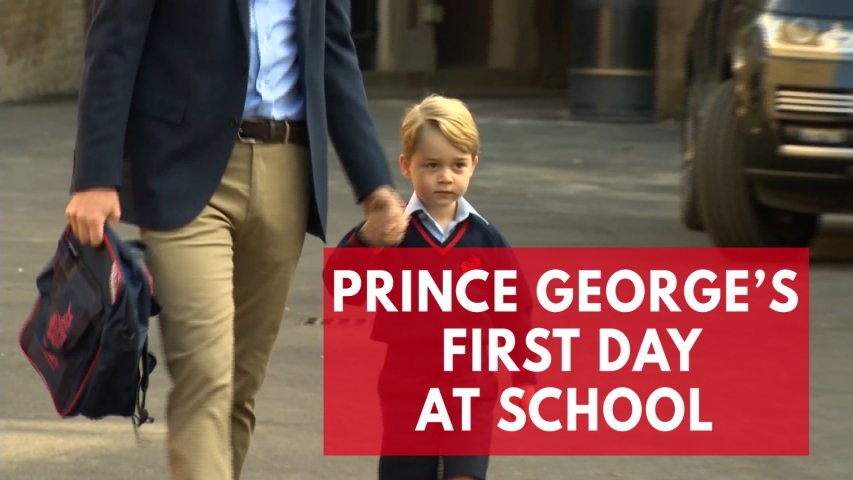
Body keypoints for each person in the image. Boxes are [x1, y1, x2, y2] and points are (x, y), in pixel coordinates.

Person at [64, 1, 407, 479]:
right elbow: (114, 45)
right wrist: (94, 178)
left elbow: (333, 53)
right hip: (181, 169)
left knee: (240, 385)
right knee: (205, 372)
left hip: (287, 167)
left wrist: (375, 187)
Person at [336, 95, 535, 480]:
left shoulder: (487, 239)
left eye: (457, 165)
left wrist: (524, 373)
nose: (445, 176)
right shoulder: (394, 234)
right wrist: (366, 239)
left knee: (466, 472)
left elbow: (516, 307)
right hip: (407, 379)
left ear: (473, 166)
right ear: (406, 167)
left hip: (471, 380)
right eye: (432, 165)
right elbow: (345, 286)